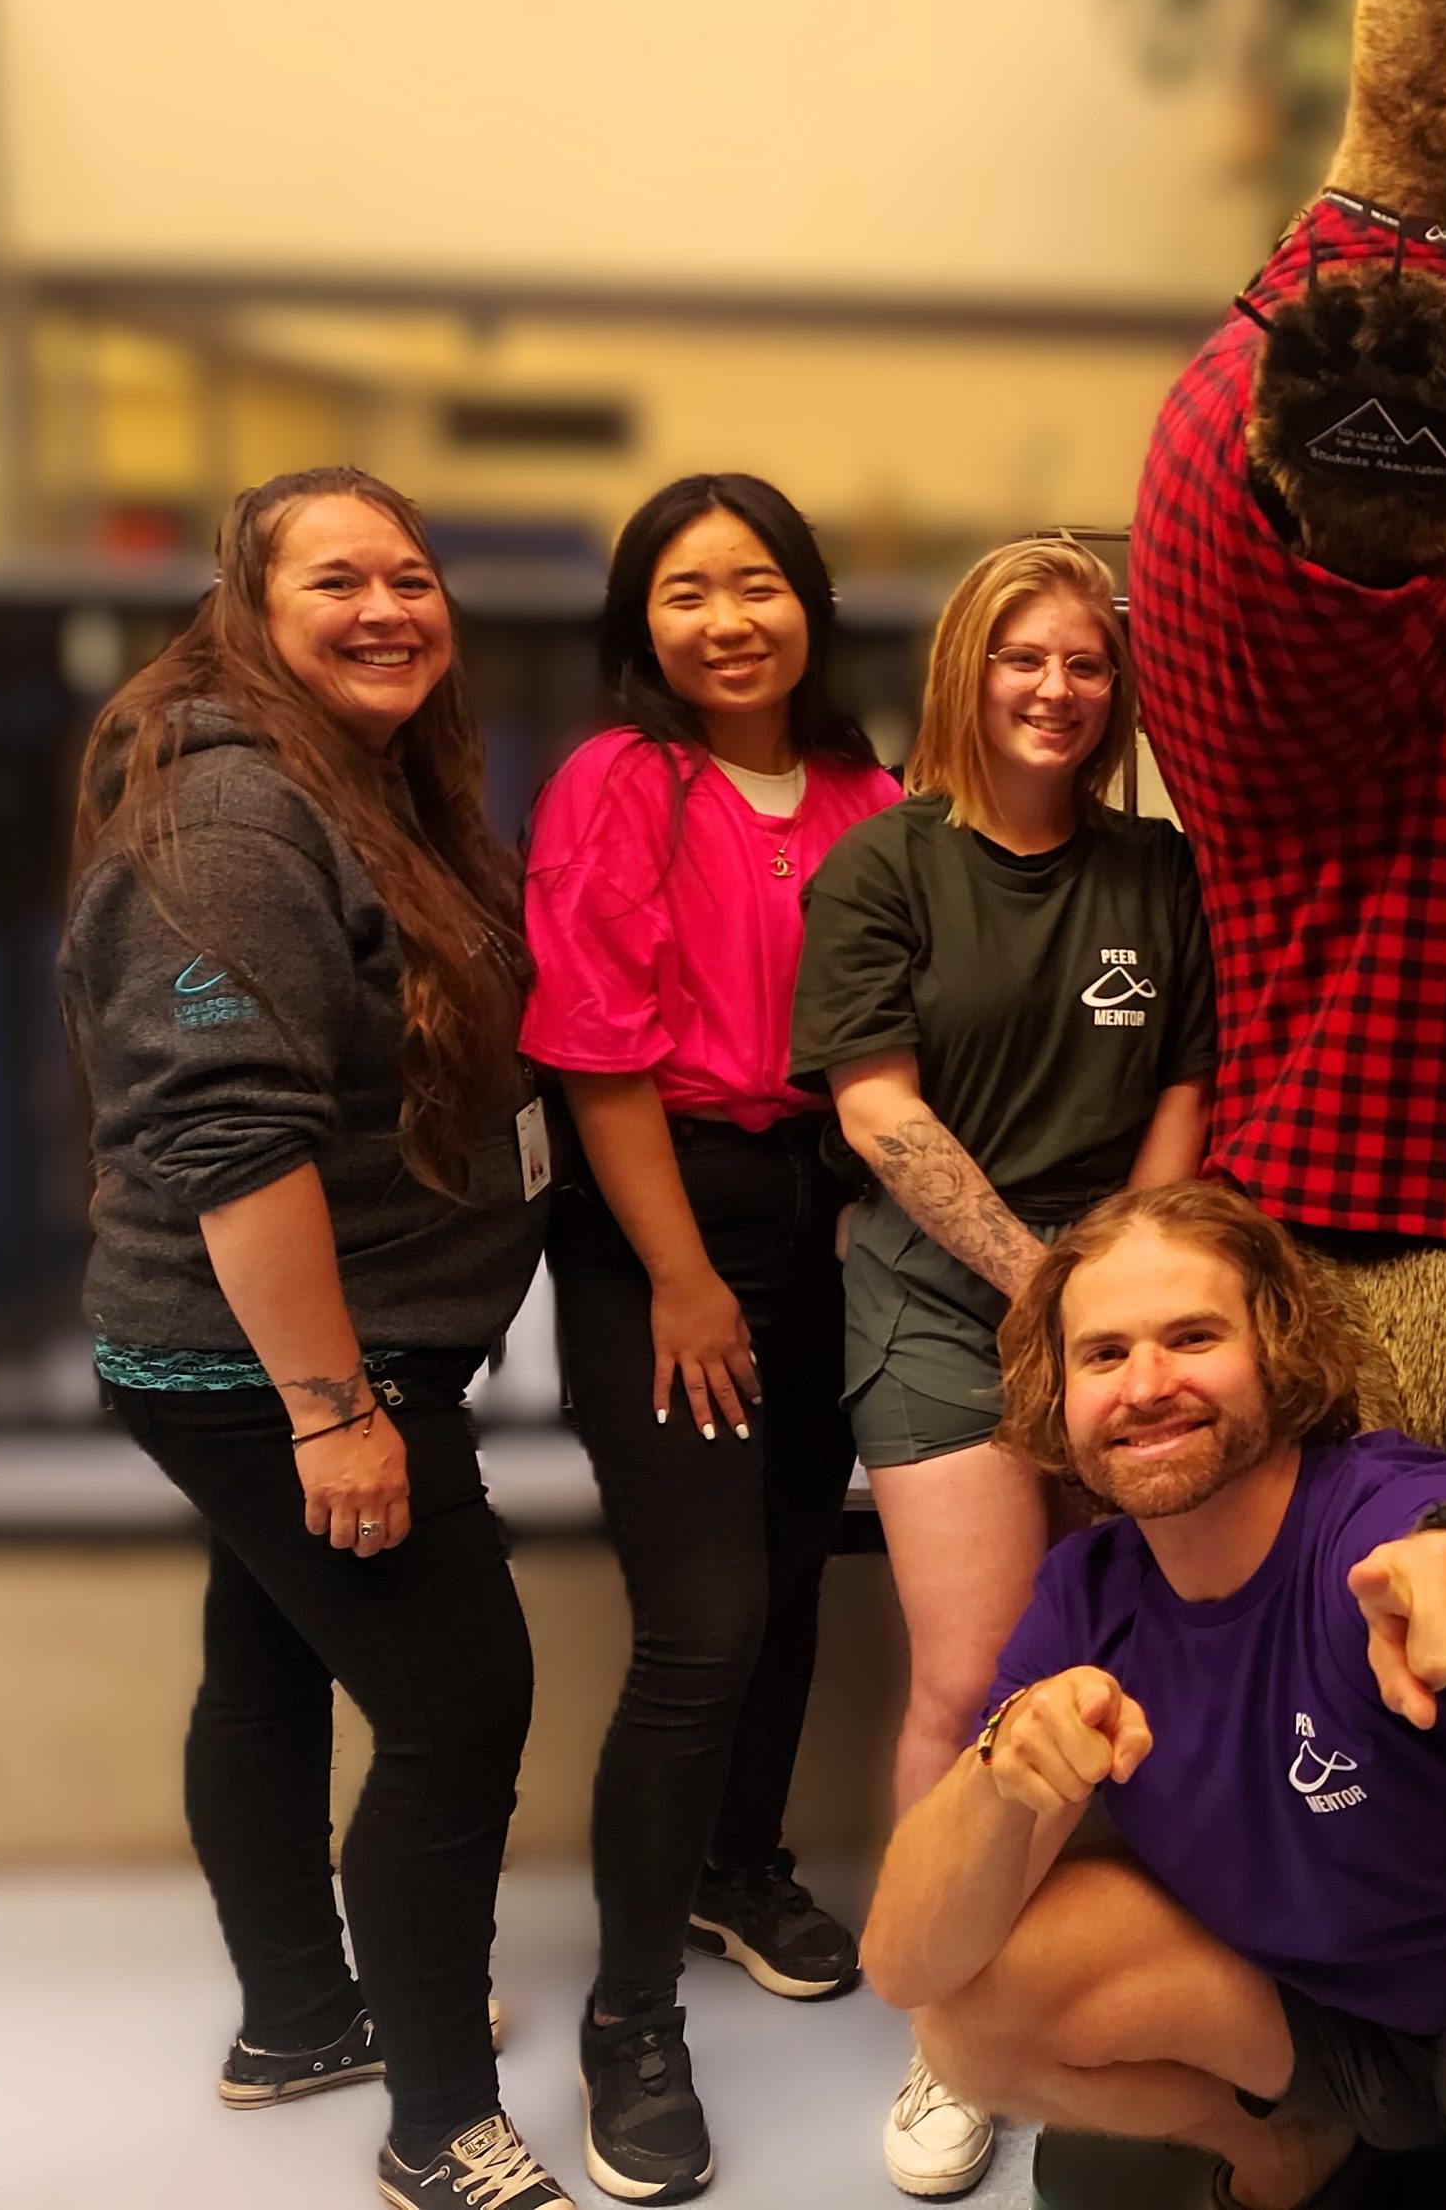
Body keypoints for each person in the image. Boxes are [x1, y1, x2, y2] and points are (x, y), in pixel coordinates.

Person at [858, 1180, 1446, 2210]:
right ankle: (1288, 2151)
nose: (1144, 1385)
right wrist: (1005, 1779)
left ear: (1276, 1352)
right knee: (966, 2024)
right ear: (1060, 1391)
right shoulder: (1086, 1596)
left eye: (1191, 1337)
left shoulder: (1376, 1510)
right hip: (1311, 2020)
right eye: (1103, 1354)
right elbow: (904, 1962)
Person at [61, 468, 570, 2210]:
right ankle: (441, 2126)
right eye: (334, 580)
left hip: (313, 1346)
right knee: (457, 1705)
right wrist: (337, 1411)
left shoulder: (357, 783)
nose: (386, 609)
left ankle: (296, 2019)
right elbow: (229, 1142)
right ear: (248, 613)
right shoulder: (231, 821)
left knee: (272, 1654)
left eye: (410, 576)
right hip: (274, 1362)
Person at [788, 537, 1215, 2195]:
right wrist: (1047, 1295)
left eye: (1089, 665)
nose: (1057, 690)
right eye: (1024, 658)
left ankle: (1108, 1978)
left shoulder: (1158, 876)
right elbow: (879, 1108)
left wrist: (1124, 1296)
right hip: (951, 1311)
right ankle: (951, 2022)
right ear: (966, 669)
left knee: (1137, 1673)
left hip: (1124, 1299)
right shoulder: (885, 866)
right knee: (975, 1681)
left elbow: (1182, 1096)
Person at [520, 473, 902, 2202]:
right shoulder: (619, 783)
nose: (725, 619)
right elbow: (596, 1051)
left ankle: (736, 1867)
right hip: (661, 1222)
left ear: (807, 601)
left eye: (756, 584)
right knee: (705, 1618)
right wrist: (680, 1276)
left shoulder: (866, 787)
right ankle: (628, 2019)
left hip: (828, 1215)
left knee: (794, 1579)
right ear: (642, 623)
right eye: (686, 592)